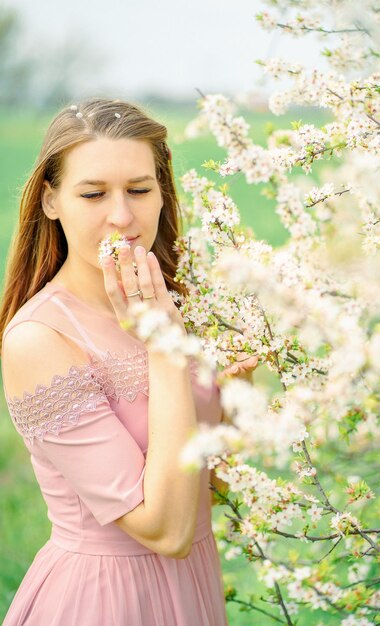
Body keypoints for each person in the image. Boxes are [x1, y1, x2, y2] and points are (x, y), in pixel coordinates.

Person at [0, 97, 231, 626]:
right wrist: (165, 348)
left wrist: (237, 401)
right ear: (51, 201)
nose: (123, 216)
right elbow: (166, 531)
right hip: (104, 600)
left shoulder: (177, 303)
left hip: (194, 591)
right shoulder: (41, 338)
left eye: (140, 189)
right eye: (93, 194)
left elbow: (208, 496)